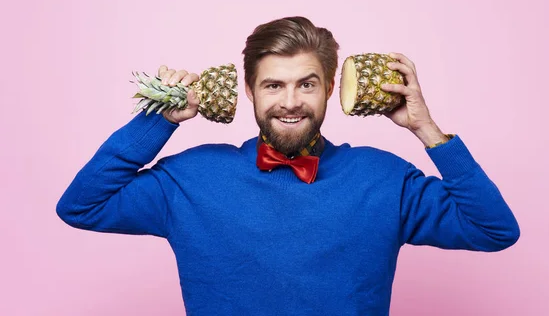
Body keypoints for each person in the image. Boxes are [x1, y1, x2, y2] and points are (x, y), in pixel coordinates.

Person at [56, 16, 520, 315]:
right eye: (274, 86)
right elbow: (81, 206)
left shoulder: (384, 177)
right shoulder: (190, 178)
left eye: (307, 84)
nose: (291, 103)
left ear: (331, 88)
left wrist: (428, 131)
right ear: (250, 92)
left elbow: (493, 230)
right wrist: (156, 122)